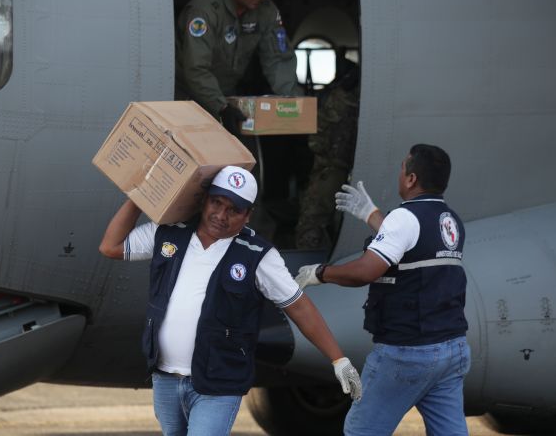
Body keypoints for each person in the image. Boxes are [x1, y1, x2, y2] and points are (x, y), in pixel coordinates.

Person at [100, 165, 361, 436]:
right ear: (205, 200)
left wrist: (338, 360)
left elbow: (298, 306)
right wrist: (138, 197)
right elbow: (111, 246)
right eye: (216, 203)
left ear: (247, 215)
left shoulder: (258, 255)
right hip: (165, 377)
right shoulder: (169, 233)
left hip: (218, 384)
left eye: (233, 210)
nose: (221, 215)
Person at [295, 144, 470, 435]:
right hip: (452, 348)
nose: (400, 173)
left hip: (408, 351)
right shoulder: (449, 221)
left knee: (362, 430)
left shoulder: (404, 218)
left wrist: (322, 273)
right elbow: (412, 245)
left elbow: (366, 271)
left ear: (411, 179)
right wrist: (371, 214)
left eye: (403, 167)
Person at [175, 0, 303, 135]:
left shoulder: (266, 11)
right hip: (187, 100)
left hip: (226, 98)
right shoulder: (205, 10)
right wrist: (221, 107)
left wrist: (294, 105)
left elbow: (278, 59)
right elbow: (196, 69)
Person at [295, 55, 359, 250]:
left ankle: (309, 258)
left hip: (332, 169)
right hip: (336, 168)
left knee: (312, 218)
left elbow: (317, 141)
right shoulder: (348, 98)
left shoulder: (339, 100)